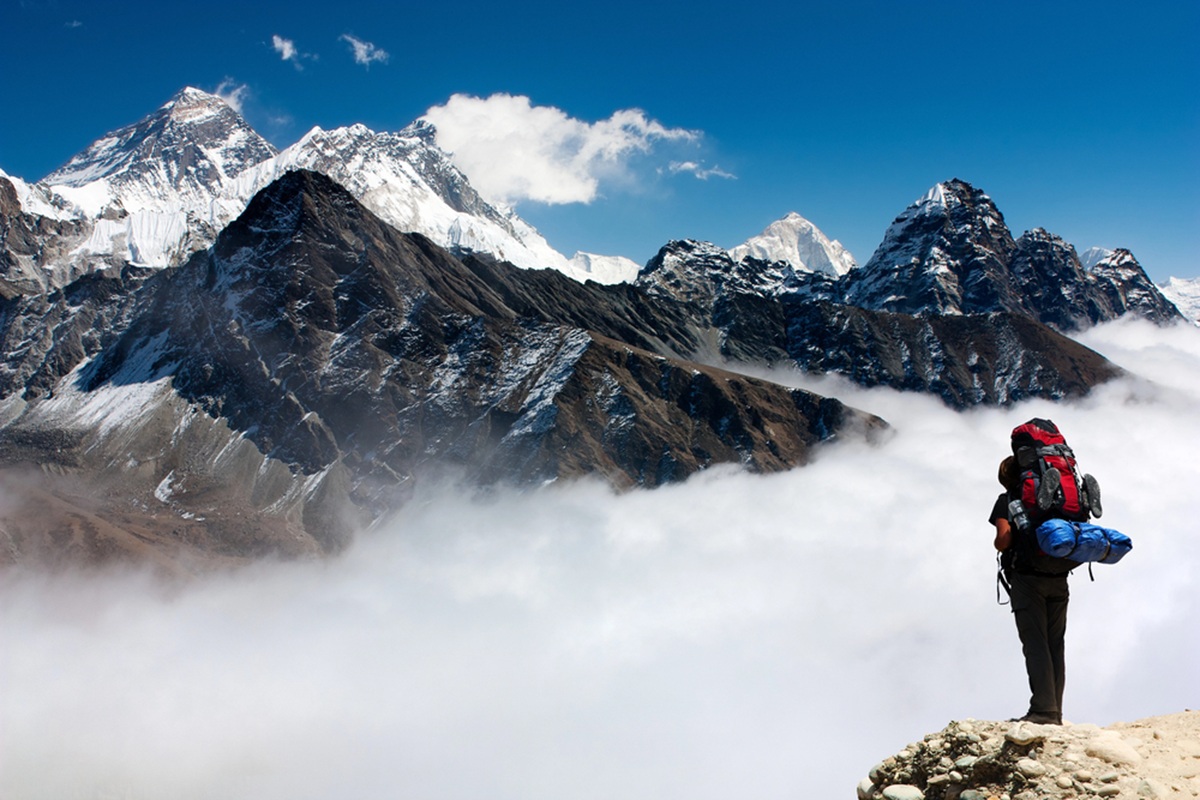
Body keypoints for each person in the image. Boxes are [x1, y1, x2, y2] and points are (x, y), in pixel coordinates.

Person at [989, 455, 1074, 725]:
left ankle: (1043, 711)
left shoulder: (1007, 499)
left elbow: (1004, 540)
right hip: (1059, 575)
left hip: (1027, 580)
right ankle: (1055, 711)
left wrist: (999, 542)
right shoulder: (1051, 500)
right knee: (1055, 644)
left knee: (1035, 644)